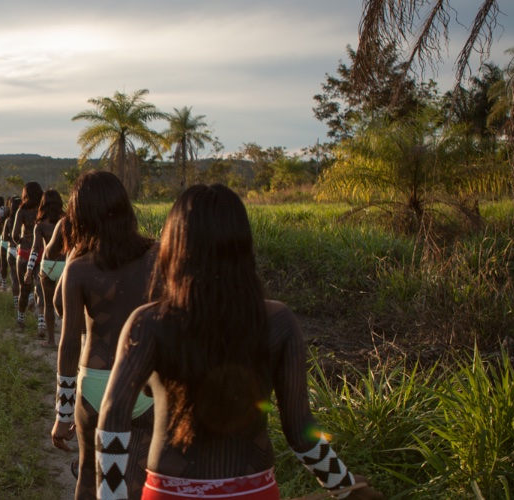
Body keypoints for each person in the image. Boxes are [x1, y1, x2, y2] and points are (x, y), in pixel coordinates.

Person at [94, 184, 382, 500]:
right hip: (253, 490)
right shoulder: (277, 321)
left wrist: (111, 496)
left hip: (170, 491)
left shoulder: (148, 323)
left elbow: (113, 415)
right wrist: (342, 483)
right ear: (243, 246)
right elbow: (301, 431)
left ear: (174, 247)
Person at [51, 171, 159, 499]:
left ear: (79, 215)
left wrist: (63, 413)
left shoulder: (80, 267)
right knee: (137, 481)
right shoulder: (158, 255)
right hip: (147, 383)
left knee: (89, 473)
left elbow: (69, 342)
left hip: (96, 384)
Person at [24, 189, 66, 343]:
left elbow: (35, 249)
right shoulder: (67, 222)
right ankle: (68, 338)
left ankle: (51, 340)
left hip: (47, 266)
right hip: (65, 265)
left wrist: (29, 269)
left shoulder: (40, 225)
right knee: (67, 304)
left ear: (43, 204)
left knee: (48, 303)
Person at [12, 182, 44, 328]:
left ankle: (21, 318)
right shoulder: (44, 210)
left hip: (24, 252)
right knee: (40, 287)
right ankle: (41, 321)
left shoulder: (22, 211)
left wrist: (19, 242)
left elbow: (14, 234)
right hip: (41, 253)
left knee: (23, 289)